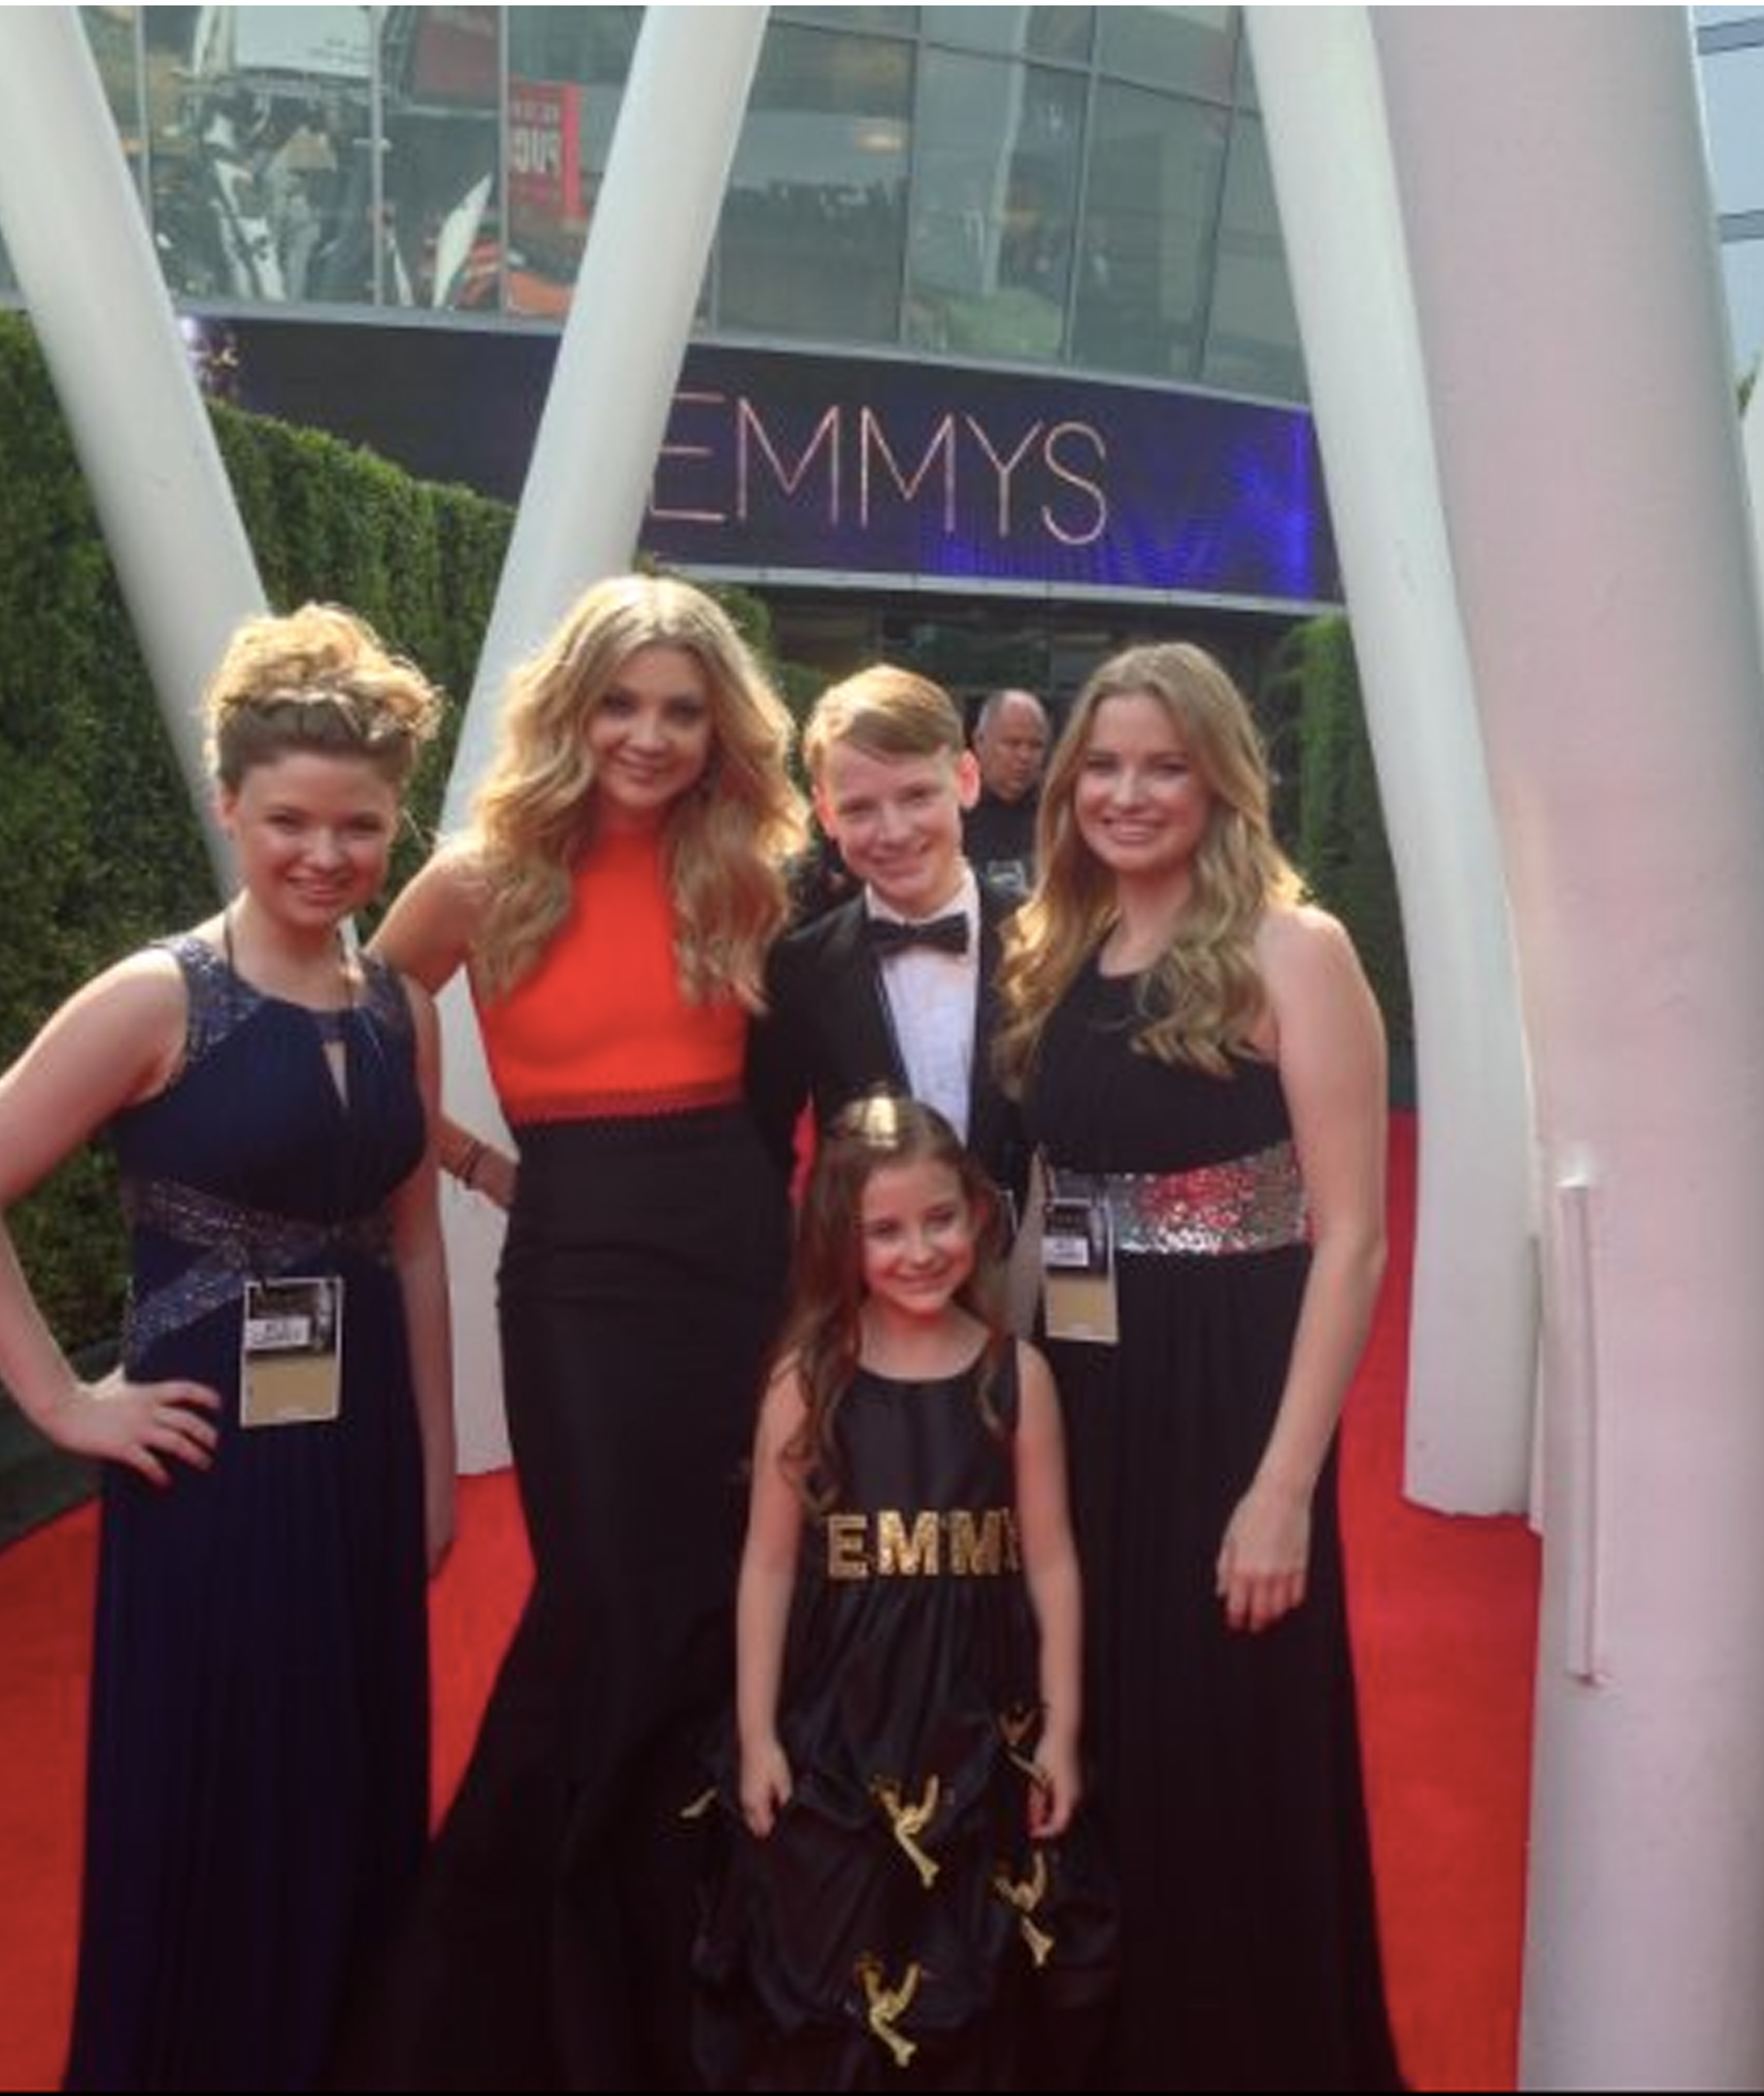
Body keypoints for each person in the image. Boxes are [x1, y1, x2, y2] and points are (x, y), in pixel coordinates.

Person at [0, 604, 454, 2091]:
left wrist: (437, 1457)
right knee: (223, 1779)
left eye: (360, 823)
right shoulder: (158, 997)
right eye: (288, 820)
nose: (325, 855)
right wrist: (65, 1399)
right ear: (227, 805)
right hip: (205, 1457)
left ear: (397, 818)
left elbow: (410, 1238)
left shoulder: (402, 1002)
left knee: (350, 1770)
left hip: (356, 1448)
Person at [357, 571, 809, 2088]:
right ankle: (515, 1976)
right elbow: (333, 1028)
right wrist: (476, 1160)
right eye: (622, 704)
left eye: (683, 710)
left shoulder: (750, 862)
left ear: (720, 727)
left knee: (706, 1598)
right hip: (576, 1273)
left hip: (730, 1251)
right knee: (606, 1598)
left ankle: (687, 1959)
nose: (651, 735)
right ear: (570, 707)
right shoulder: (480, 875)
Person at [993, 641, 1403, 2091]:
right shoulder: (1057, 943)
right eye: (1102, 764)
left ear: (1222, 775)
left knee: (1228, 1741)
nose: (1126, 791)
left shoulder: (1298, 948)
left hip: (1232, 1396)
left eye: (1163, 764)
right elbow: (1048, 1202)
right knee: (1089, 1716)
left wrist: (1286, 1482)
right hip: (1083, 1385)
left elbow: (1351, 1236)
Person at [693, 1096, 1113, 2089]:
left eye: (940, 1219)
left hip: (976, 1729)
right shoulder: (808, 1381)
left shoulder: (1019, 1379)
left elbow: (1051, 1561)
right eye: (885, 1229)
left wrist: (1060, 1730)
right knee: (840, 1965)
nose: (919, 1249)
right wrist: (757, 1735)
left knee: (972, 1966)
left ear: (977, 1216)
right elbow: (767, 1564)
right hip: (839, 1726)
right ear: (841, 1240)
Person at [748, 665, 1028, 1201]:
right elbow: (768, 1152)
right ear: (825, 815)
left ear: (966, 781)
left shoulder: (1051, 942)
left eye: (918, 795)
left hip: (1032, 1272)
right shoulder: (797, 971)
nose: (894, 831)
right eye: (859, 809)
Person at [961, 686, 1051, 901]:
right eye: (1012, 743)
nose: (1024, 756)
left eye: (1036, 746)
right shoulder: (947, 811)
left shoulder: (1059, 811)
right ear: (979, 741)